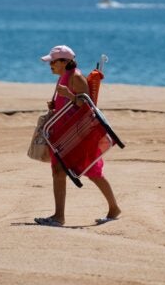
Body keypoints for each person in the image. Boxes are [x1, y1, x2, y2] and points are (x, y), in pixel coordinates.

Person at [34, 45, 121, 227]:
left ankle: (62, 216)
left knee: (92, 171)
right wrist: (56, 105)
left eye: (53, 62)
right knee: (59, 171)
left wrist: (68, 95)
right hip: (63, 133)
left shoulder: (76, 77)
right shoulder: (64, 77)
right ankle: (60, 215)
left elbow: (86, 104)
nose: (50, 65)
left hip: (76, 135)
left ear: (65, 62)